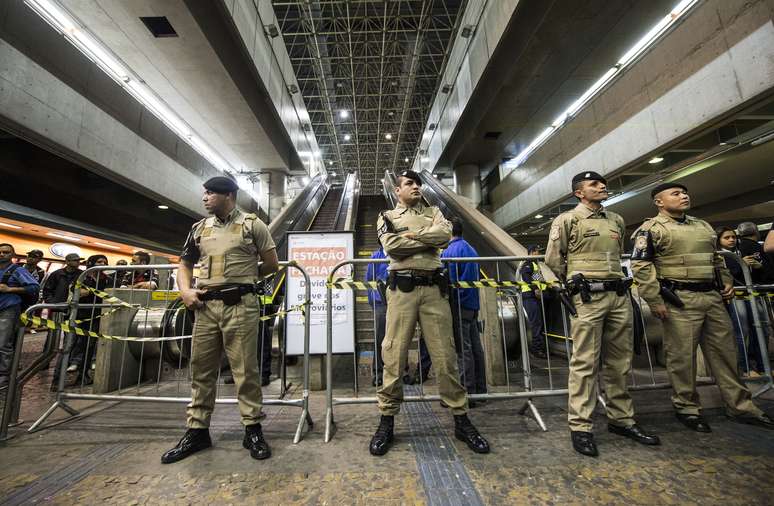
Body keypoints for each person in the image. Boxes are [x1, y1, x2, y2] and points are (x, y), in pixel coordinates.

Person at [630, 183, 774, 433]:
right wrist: (655, 300)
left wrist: (726, 281)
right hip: (679, 300)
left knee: (726, 355)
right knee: (682, 358)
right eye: (675, 193)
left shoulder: (702, 225)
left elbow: (716, 259)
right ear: (659, 202)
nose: (683, 195)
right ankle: (687, 408)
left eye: (684, 192)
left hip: (712, 298)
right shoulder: (650, 229)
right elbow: (642, 267)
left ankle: (741, 406)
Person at [369, 169, 489, 456]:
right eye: (409, 183)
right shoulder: (387, 217)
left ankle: (461, 419)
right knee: (394, 357)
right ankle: (386, 420)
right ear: (397, 190)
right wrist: (428, 238)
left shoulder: (436, 211)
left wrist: (413, 235)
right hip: (401, 292)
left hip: (435, 291)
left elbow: (445, 234)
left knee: (446, 356)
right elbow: (392, 246)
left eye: (418, 183)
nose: (416, 187)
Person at [161, 176, 279, 464]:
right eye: (205, 193)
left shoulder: (253, 225)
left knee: (245, 370)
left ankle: (252, 429)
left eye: (210, 193)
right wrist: (186, 290)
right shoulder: (199, 228)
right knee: (201, 368)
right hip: (205, 308)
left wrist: (246, 280)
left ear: (229, 195)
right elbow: (184, 265)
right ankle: (197, 430)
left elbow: (272, 264)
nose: (204, 197)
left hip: (240, 305)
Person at [544, 171, 658, 457]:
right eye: (594, 184)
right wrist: (560, 288)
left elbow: (618, 255)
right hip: (587, 298)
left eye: (601, 183)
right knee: (585, 363)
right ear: (579, 192)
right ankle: (580, 426)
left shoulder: (616, 220)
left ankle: (622, 419)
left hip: (618, 295)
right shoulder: (567, 220)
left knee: (620, 362)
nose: (602, 186)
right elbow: (552, 262)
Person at [441, 218, 487, 400]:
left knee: (463, 351)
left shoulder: (450, 251)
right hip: (473, 304)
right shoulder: (470, 248)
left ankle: (468, 392)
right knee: (476, 349)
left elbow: (450, 281)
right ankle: (481, 391)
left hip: (459, 306)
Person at [716, 227, 765, 376]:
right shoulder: (719, 256)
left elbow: (759, 274)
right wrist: (740, 264)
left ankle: (763, 366)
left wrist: (758, 267)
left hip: (751, 293)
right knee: (741, 330)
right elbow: (725, 276)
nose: (731, 240)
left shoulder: (741, 251)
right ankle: (745, 368)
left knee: (760, 328)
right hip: (734, 295)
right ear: (719, 240)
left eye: (733, 237)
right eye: (727, 237)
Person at [0, 243, 39, 387]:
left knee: (3, 343)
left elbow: (34, 287)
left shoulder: (17, 270)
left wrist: (10, 289)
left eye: (6, 252)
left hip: (8, 308)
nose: (2, 254)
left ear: (12, 255)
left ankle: (4, 375)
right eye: (0, 252)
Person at [69, 254, 113, 384]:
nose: (103, 264)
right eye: (99, 261)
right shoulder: (83, 277)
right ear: (91, 263)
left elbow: (111, 294)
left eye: (105, 262)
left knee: (90, 345)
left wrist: (89, 291)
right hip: (82, 316)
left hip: (100, 315)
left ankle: (84, 373)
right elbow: (77, 292)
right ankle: (66, 373)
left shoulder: (108, 279)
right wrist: (95, 292)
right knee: (75, 344)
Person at [519, 244, 548, 359]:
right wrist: (535, 289)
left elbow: (538, 279)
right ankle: (536, 350)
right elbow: (526, 276)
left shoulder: (535, 264)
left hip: (535, 297)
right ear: (532, 252)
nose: (539, 253)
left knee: (537, 323)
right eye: (537, 251)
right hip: (530, 296)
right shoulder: (528, 263)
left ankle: (537, 348)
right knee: (535, 323)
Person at [365, 246, 388, 387]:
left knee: (399, 338)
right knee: (380, 338)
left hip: (397, 301)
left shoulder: (399, 253)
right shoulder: (376, 257)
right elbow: (368, 280)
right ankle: (378, 373)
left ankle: (401, 371)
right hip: (380, 303)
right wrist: (373, 300)